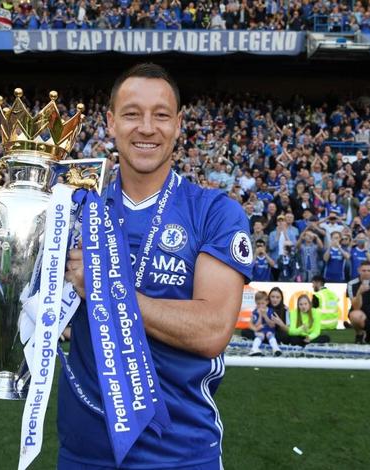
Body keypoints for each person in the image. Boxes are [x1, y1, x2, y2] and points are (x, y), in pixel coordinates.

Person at [62, 64, 253, 469]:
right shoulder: (74, 212)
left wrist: (105, 290)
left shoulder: (215, 212)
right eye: (132, 114)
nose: (146, 128)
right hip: (83, 454)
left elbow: (212, 330)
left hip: (180, 454)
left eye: (161, 115)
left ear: (178, 124)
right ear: (111, 122)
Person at [248, 291, 282, 356]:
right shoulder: (255, 312)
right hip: (260, 331)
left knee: (270, 334)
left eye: (262, 303)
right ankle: (254, 348)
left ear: (267, 302)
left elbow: (272, 325)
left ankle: (275, 348)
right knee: (260, 335)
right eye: (258, 304)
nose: (260, 305)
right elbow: (256, 325)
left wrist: (265, 315)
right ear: (255, 303)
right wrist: (260, 315)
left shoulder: (270, 311)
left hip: (269, 330)